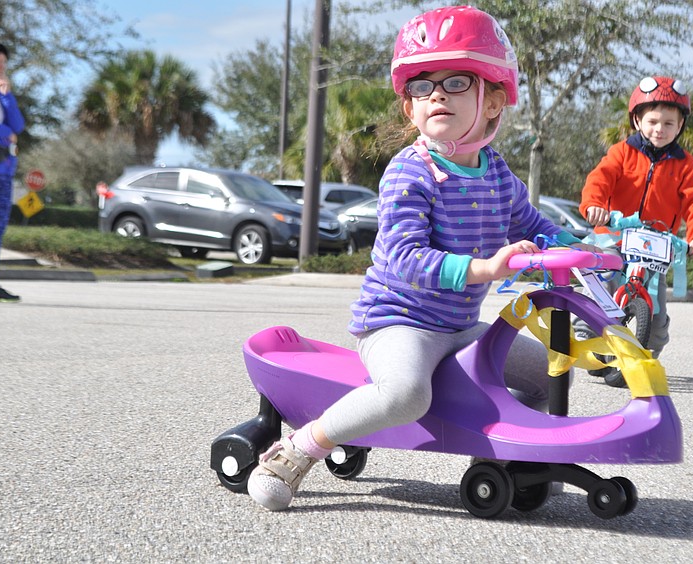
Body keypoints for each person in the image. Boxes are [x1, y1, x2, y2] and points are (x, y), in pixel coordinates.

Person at [247, 6, 597, 511]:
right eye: (421, 86)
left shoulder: (497, 173)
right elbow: (404, 258)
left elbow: (534, 226)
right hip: (398, 323)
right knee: (407, 394)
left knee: (545, 370)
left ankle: (515, 455)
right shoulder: (410, 173)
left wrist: (579, 250)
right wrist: (484, 269)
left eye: (456, 82)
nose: (435, 94)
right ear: (409, 108)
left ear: (494, 99)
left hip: (457, 325)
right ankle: (301, 448)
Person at [575, 75, 693, 371]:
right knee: (604, 274)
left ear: (680, 126)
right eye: (652, 121)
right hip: (612, 235)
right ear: (637, 120)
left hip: (656, 244)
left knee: (657, 304)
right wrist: (595, 206)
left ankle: (651, 344)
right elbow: (600, 178)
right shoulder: (622, 152)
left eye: (669, 123)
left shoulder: (685, 164)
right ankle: (586, 326)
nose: (660, 129)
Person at [0, 39, 25, 303]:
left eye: (4, 61)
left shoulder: (1, 93)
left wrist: (7, 96)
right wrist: (6, 135)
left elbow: (18, 125)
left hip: (2, 171)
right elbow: (8, 131)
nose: (2, 66)